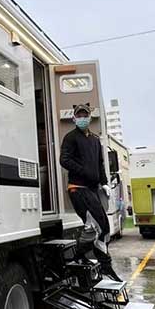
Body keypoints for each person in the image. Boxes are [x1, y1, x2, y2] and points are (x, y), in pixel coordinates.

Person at [59, 104, 122, 282]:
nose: (82, 118)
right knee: (96, 226)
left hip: (93, 189)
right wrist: (84, 171)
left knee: (103, 228)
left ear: (90, 117)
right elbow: (64, 160)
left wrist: (104, 183)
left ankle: (87, 259)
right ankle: (99, 263)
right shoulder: (70, 137)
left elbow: (100, 164)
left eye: (84, 115)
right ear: (74, 118)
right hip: (77, 188)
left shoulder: (95, 140)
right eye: (79, 115)